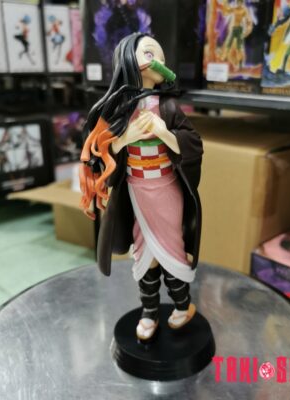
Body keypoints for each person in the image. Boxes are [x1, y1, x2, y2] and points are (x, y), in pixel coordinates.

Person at [79, 33, 203, 341]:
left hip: (166, 189)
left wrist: (164, 132)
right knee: (143, 252)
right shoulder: (118, 109)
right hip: (134, 190)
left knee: (171, 249)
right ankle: (149, 311)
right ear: (127, 59)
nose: (157, 61)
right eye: (149, 53)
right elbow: (98, 151)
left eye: (161, 57)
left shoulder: (169, 107)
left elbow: (194, 144)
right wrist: (125, 138)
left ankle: (182, 305)